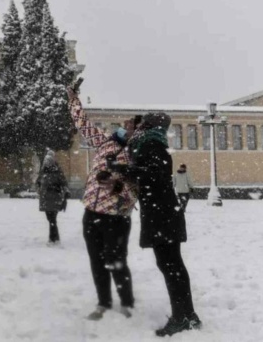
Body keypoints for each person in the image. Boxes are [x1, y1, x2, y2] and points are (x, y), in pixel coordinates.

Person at [109, 112, 201, 337]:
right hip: (162, 212)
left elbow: (154, 175)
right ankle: (186, 314)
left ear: (150, 126)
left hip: (163, 214)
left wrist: (123, 170)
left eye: (142, 124)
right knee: (170, 265)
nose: (138, 127)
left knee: (171, 266)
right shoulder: (150, 143)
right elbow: (150, 175)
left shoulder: (152, 144)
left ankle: (184, 316)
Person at [67, 86, 142, 320]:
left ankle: (127, 303)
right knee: (97, 262)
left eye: (129, 125)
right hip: (91, 212)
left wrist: (118, 186)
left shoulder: (135, 154)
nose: (124, 125)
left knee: (116, 262)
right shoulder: (105, 143)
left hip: (116, 218)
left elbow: (138, 188)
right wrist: (73, 100)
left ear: (137, 132)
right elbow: (83, 125)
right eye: (125, 123)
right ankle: (104, 302)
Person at [35, 149, 69, 245]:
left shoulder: (57, 171)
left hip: (54, 197)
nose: (47, 163)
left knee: (52, 219)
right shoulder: (43, 172)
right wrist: (39, 190)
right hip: (46, 198)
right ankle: (55, 238)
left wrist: (58, 189)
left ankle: (52, 239)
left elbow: (63, 183)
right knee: (51, 219)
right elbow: (37, 183)